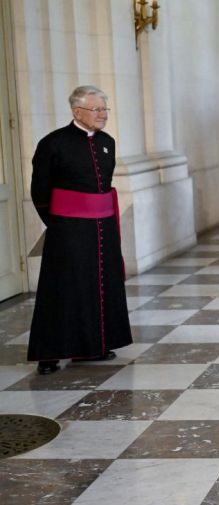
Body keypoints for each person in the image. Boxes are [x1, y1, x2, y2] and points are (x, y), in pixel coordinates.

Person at [28, 85, 133, 375]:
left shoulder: (107, 142)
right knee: (62, 289)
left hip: (103, 226)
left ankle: (94, 345)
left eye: (105, 109)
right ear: (77, 111)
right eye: (97, 109)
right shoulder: (53, 143)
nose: (103, 115)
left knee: (100, 285)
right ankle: (48, 354)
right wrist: (60, 224)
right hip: (68, 229)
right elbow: (40, 192)